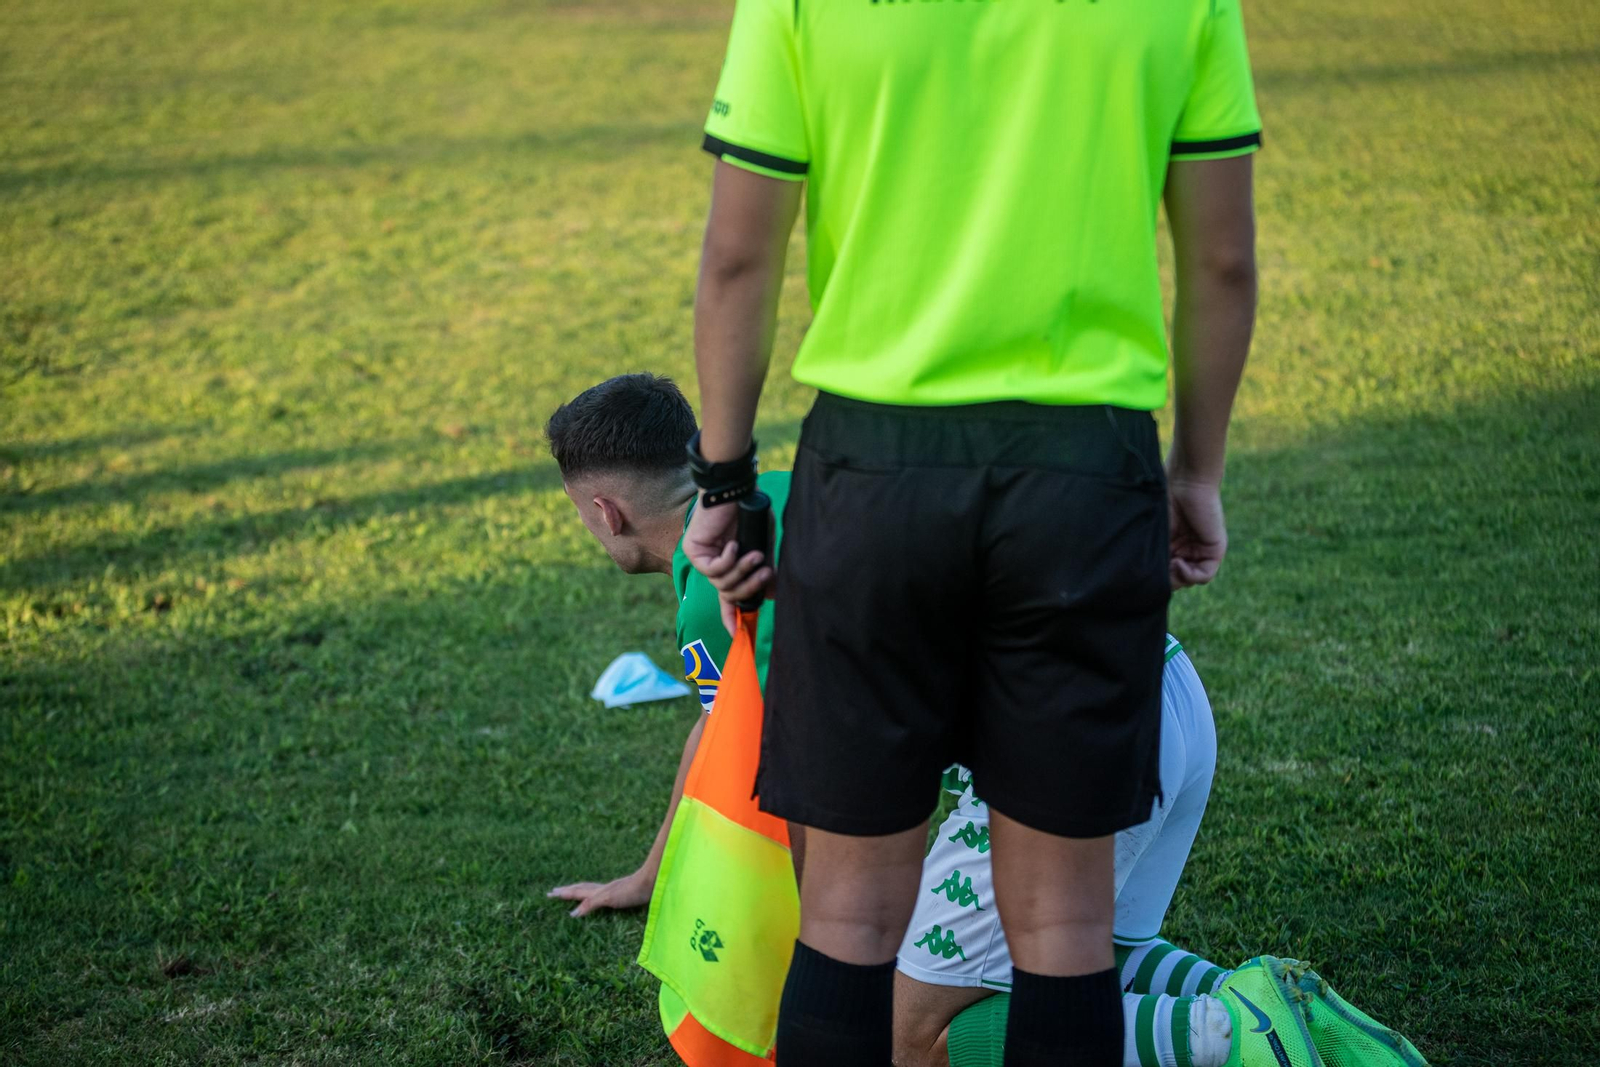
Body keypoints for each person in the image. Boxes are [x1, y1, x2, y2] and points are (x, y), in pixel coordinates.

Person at [681, 3, 1266, 1064]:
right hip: (1085, 475)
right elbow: (1220, 262)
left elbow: (735, 259)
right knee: (1065, 931)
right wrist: (1196, 471)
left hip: (874, 471)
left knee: (848, 924)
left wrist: (722, 475)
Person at [542, 377, 1429, 1067]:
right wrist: (652, 872)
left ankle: (1230, 1035)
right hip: (1160, 692)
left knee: (911, 1032)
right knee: (1079, 962)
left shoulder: (717, 588)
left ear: (602, 511)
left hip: (1052, 747)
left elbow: (801, 776)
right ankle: (1279, 1004)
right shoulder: (787, 486)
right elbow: (722, 738)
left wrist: (832, 950)